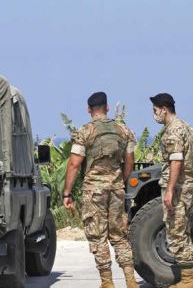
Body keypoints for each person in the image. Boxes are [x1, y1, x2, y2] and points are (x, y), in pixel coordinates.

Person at [63, 92, 139, 288]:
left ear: (89, 110)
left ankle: (107, 282)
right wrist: (120, 180)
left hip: (94, 190)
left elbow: (73, 164)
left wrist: (67, 193)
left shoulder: (85, 132)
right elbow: (129, 162)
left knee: (98, 236)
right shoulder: (124, 130)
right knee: (119, 235)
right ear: (107, 107)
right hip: (116, 188)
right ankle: (131, 281)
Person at [150, 93, 193, 288]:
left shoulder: (173, 131)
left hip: (178, 190)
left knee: (176, 233)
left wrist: (169, 191)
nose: (154, 115)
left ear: (164, 109)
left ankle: (188, 281)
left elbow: (176, 161)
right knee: (184, 232)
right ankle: (189, 279)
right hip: (188, 188)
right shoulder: (187, 127)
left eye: (155, 110)